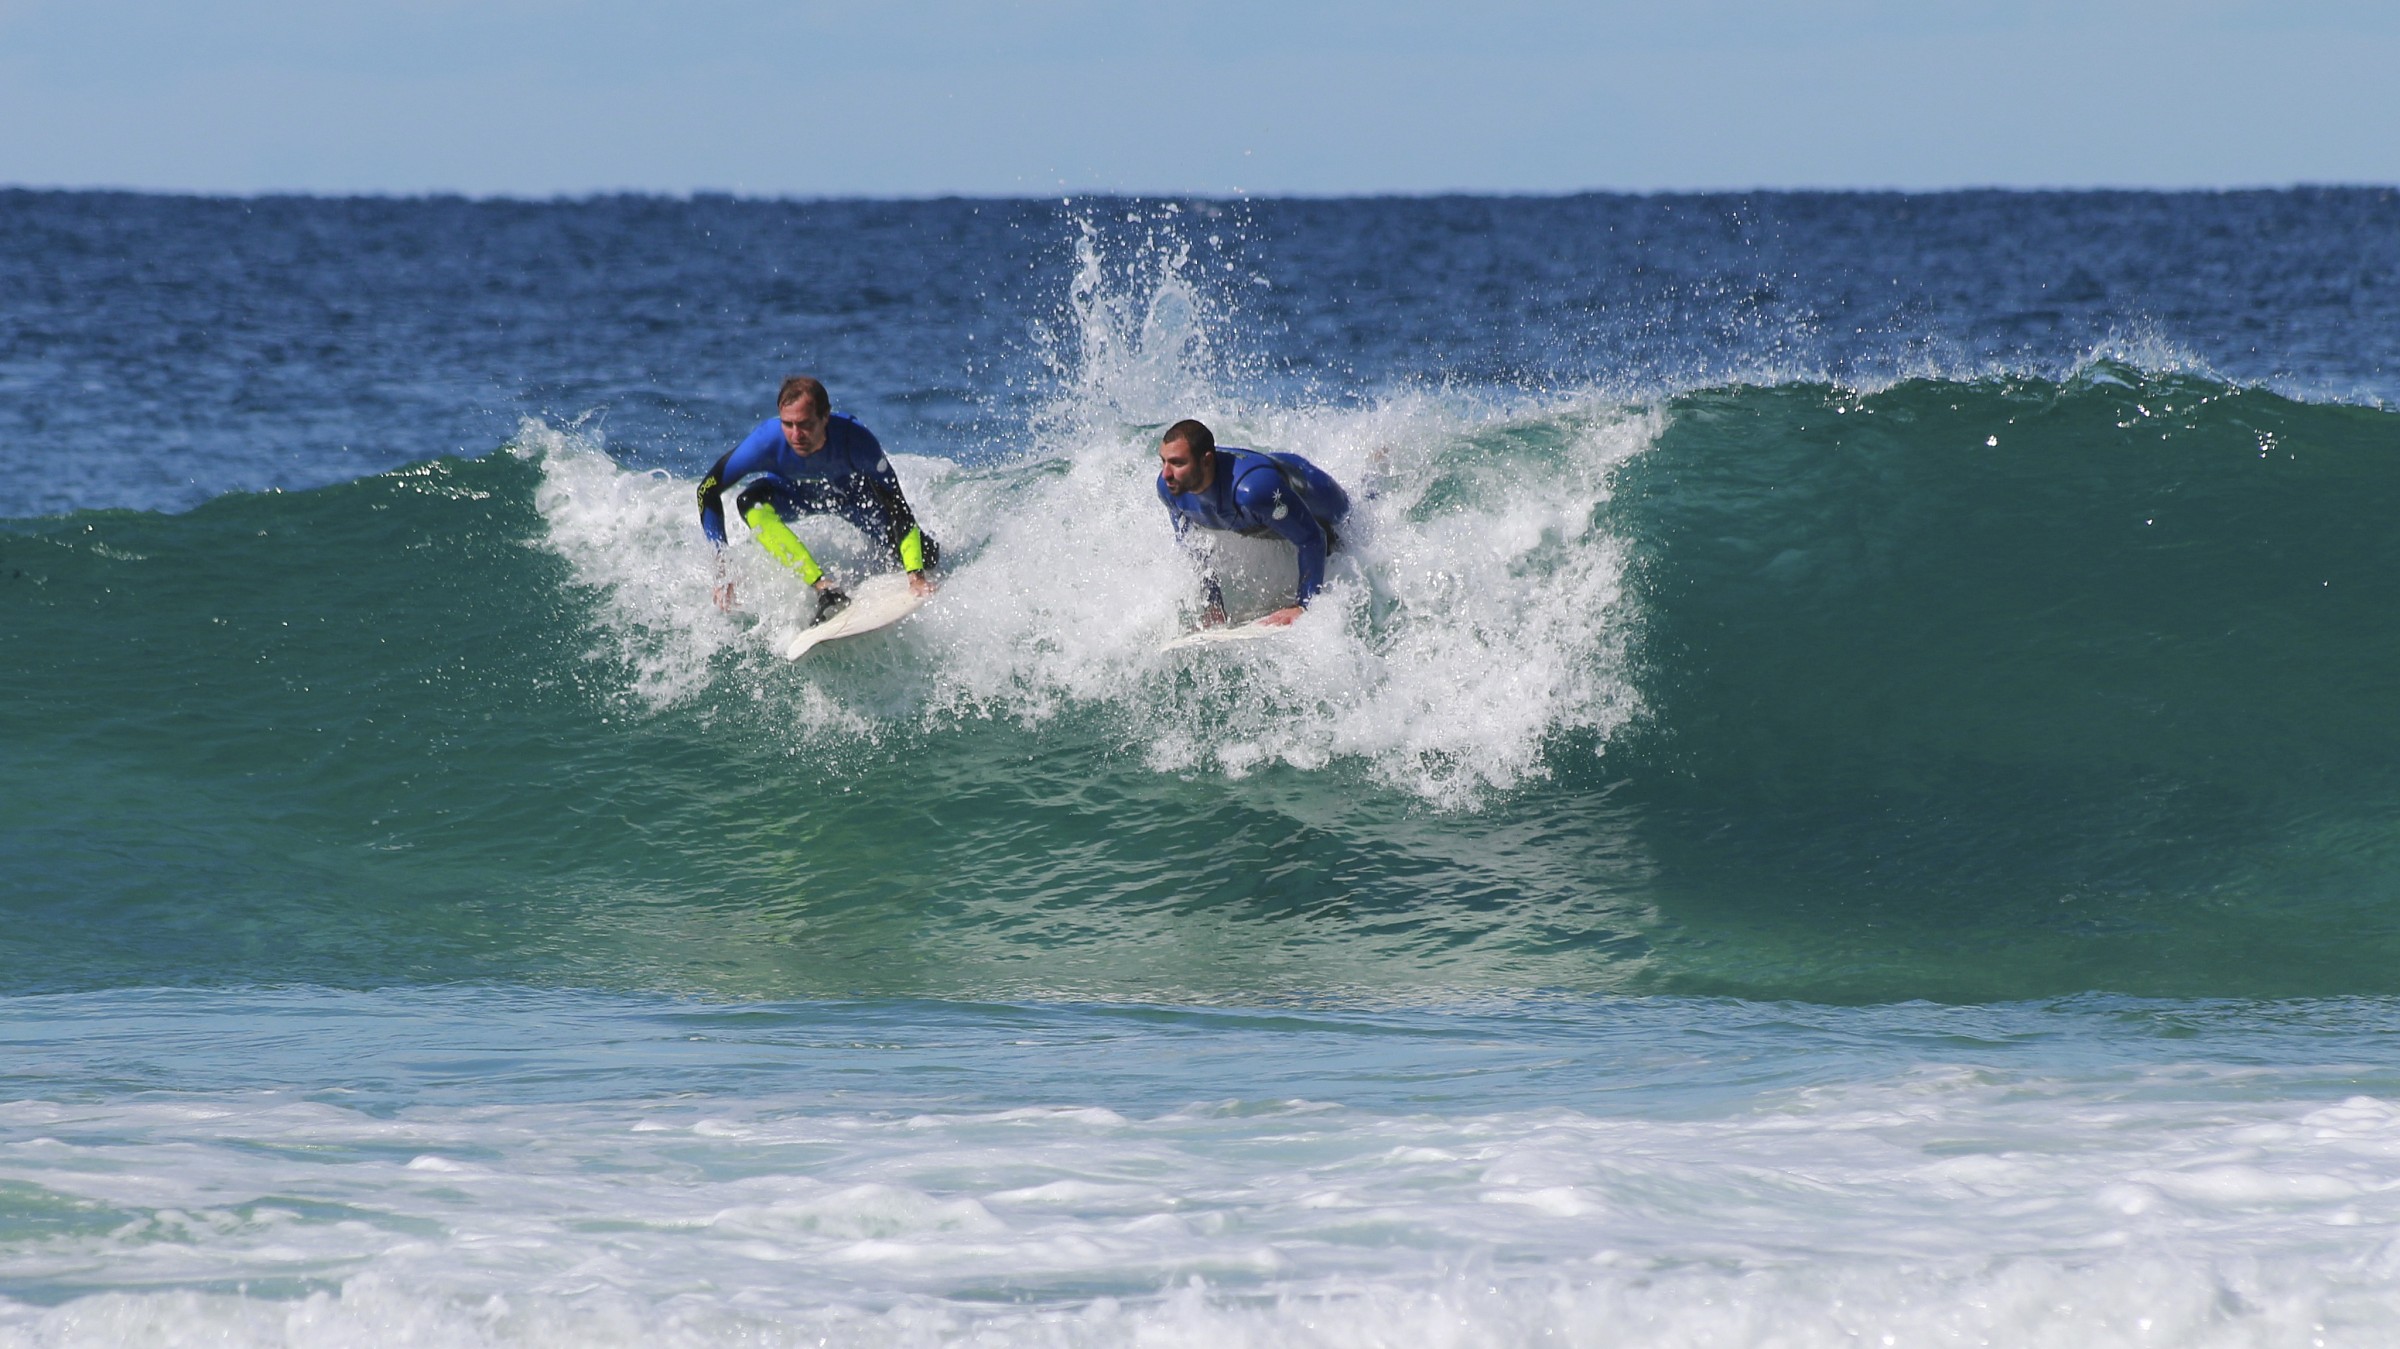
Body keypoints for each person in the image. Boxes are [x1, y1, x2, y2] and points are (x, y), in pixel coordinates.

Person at [697, 376, 937, 621]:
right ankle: (824, 588)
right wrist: (722, 566)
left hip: (854, 500)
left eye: (805, 424)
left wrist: (916, 576)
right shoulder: (765, 442)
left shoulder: (856, 442)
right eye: (787, 424)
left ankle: (924, 561)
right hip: (793, 496)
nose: (796, 434)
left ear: (825, 417)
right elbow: (706, 490)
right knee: (749, 501)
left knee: (926, 557)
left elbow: (896, 505)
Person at [1155, 418, 1350, 627]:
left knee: (1343, 536)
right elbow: (1195, 548)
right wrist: (1213, 604)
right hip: (1271, 512)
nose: (1166, 473)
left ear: (1206, 461)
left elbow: (1312, 537)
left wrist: (1303, 605)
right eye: (1164, 461)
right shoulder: (1170, 490)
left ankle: (1373, 472)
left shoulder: (1253, 493)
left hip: (1311, 490)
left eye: (1177, 463)